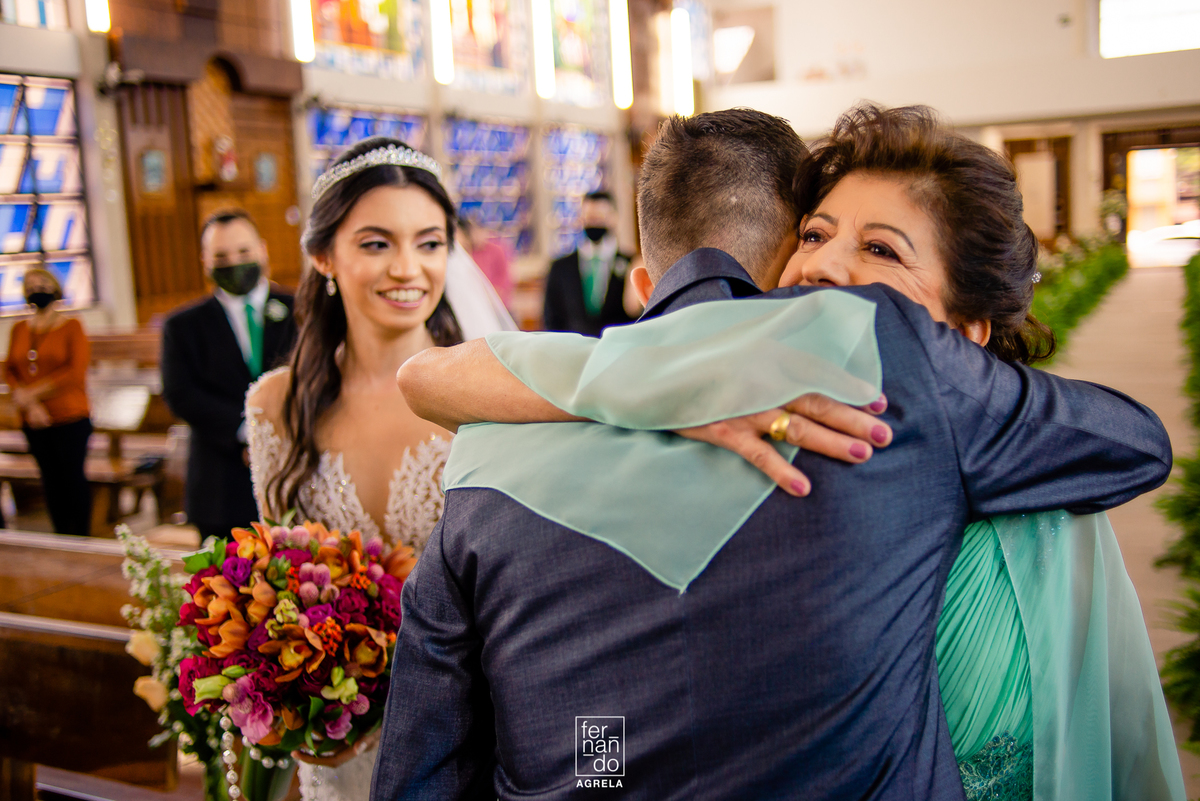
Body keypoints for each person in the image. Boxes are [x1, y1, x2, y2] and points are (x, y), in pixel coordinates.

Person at [372, 109, 1174, 800]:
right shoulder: (895, 386)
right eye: (816, 235)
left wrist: (645, 368)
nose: (825, 266)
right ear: (781, 248)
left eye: (881, 252)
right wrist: (667, 374)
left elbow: (428, 770)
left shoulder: (492, 450)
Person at [244, 136, 514, 801]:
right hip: (339, 747)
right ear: (322, 256)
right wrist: (300, 696)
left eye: (429, 243)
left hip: (475, 725)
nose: (408, 268)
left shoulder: (497, 390)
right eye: (375, 243)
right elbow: (277, 579)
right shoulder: (276, 405)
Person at [161, 209, 297, 543]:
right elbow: (181, 394)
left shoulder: (302, 309)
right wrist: (247, 431)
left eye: (243, 252)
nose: (234, 262)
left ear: (262, 250)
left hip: (294, 471)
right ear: (205, 261)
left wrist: (277, 432)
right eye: (221, 256)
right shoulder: (183, 326)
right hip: (219, 482)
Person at [4, 268, 92, 536]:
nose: (36, 288)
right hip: (33, 418)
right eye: (30, 285)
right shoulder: (19, 328)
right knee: (50, 479)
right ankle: (61, 534)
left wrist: (33, 394)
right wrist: (28, 403)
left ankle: (81, 536)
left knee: (72, 478)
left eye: (42, 283)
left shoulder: (72, 326)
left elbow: (74, 372)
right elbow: (10, 369)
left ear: (55, 288)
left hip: (69, 414)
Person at [542, 190, 637, 335]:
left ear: (613, 218)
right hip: (574, 349)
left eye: (600, 218)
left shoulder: (631, 264)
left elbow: (637, 315)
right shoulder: (560, 268)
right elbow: (551, 318)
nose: (594, 223)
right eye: (589, 218)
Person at [459, 216, 513, 308]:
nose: (477, 235)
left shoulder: (496, 250)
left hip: (495, 301)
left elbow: (503, 278)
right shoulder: (469, 251)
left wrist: (492, 297)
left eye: (479, 231)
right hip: (474, 300)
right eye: (473, 232)